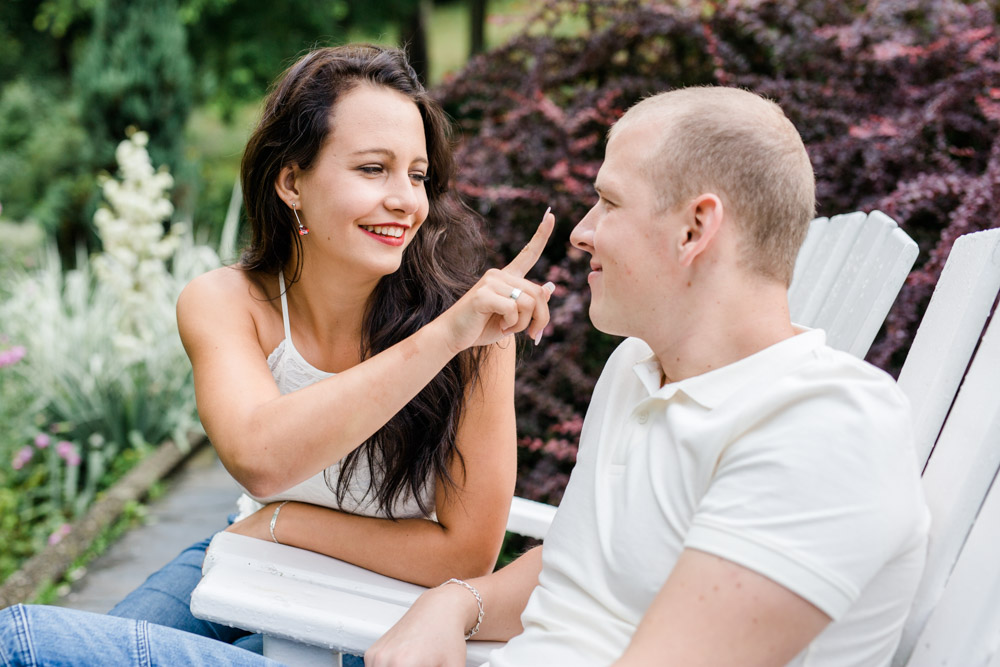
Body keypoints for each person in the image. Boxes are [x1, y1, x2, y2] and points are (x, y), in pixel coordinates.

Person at [0, 43, 556, 665]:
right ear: (292, 181)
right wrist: (269, 527)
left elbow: (464, 555)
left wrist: (285, 522)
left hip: (384, 605)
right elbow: (260, 458)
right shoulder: (225, 301)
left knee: (23, 640)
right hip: (244, 558)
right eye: (373, 169)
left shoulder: (470, 333)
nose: (406, 200)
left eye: (418, 174)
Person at [364, 86, 932, 666]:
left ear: (695, 228)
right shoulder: (637, 371)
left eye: (609, 202)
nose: (582, 232)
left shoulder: (824, 428)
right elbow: (586, 572)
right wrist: (452, 605)